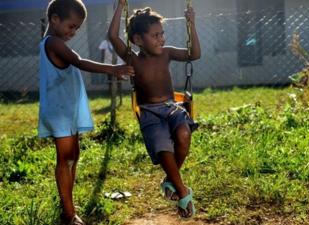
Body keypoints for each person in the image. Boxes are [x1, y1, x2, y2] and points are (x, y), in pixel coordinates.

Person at [38, 1, 134, 224]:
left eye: (77, 28)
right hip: (59, 111)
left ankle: (68, 204)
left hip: (67, 108)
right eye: (71, 26)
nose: (73, 32)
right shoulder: (52, 42)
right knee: (65, 159)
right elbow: (78, 62)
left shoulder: (54, 41)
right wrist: (114, 69)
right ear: (54, 19)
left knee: (73, 157)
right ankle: (69, 214)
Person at [108, 0, 201, 218]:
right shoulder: (132, 58)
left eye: (162, 34)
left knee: (184, 135)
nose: (161, 39)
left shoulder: (166, 53)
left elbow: (194, 54)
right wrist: (120, 7)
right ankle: (181, 190)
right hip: (149, 112)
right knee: (163, 149)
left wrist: (192, 24)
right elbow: (113, 36)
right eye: (155, 35)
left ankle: (171, 180)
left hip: (172, 108)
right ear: (138, 39)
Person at [99, 37, 124, 106]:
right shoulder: (104, 43)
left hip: (118, 64)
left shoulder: (118, 42)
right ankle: (112, 99)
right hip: (108, 65)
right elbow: (102, 54)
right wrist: (102, 64)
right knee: (110, 82)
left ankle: (120, 98)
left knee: (119, 82)